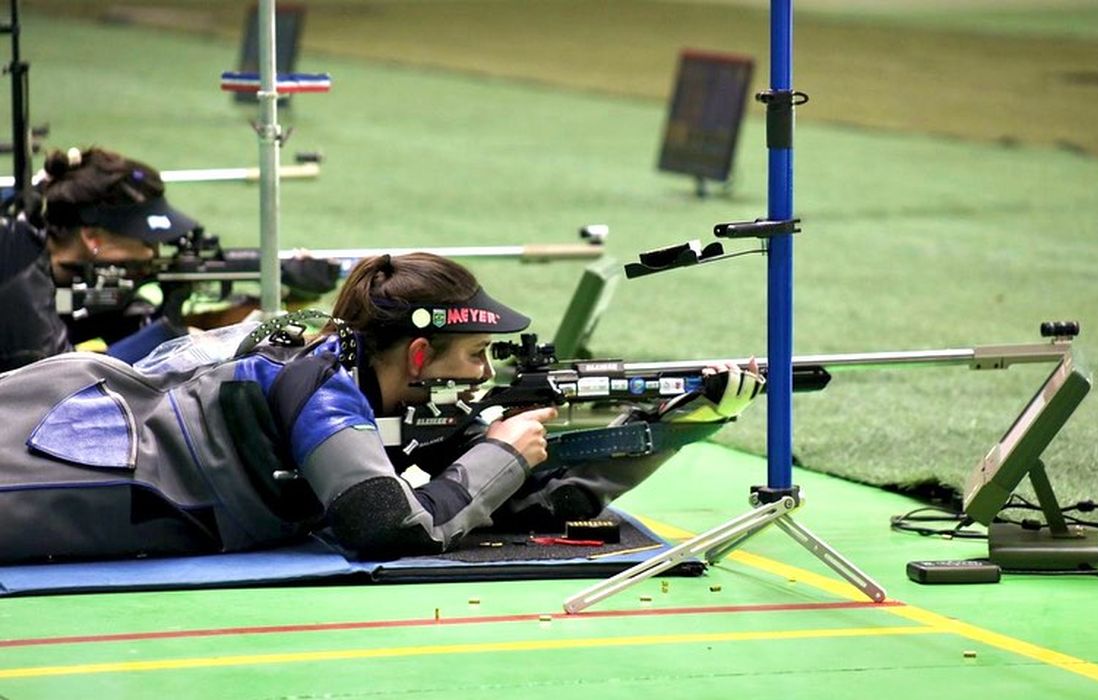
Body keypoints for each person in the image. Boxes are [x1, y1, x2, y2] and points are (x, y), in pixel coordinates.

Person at [0, 253, 762, 564]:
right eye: (477, 357)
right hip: (53, 456)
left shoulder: (368, 389)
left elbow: (536, 516)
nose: (487, 374)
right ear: (420, 355)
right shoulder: (318, 382)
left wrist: (676, 429)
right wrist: (497, 451)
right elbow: (386, 530)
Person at [0, 146, 201, 371]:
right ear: (93, 238)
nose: (153, 254)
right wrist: (164, 332)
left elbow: (102, 315)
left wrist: (147, 319)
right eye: (146, 242)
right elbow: (59, 384)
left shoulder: (44, 253)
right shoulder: (18, 273)